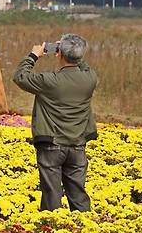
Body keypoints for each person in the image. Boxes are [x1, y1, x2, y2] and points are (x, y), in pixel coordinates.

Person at [13, 33, 98, 212]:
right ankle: (83, 229)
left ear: (58, 53)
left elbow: (20, 76)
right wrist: (73, 52)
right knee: (78, 194)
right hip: (77, 145)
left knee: (52, 194)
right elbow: (83, 66)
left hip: (52, 144)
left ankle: (53, 229)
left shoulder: (49, 81)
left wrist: (34, 55)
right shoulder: (90, 79)